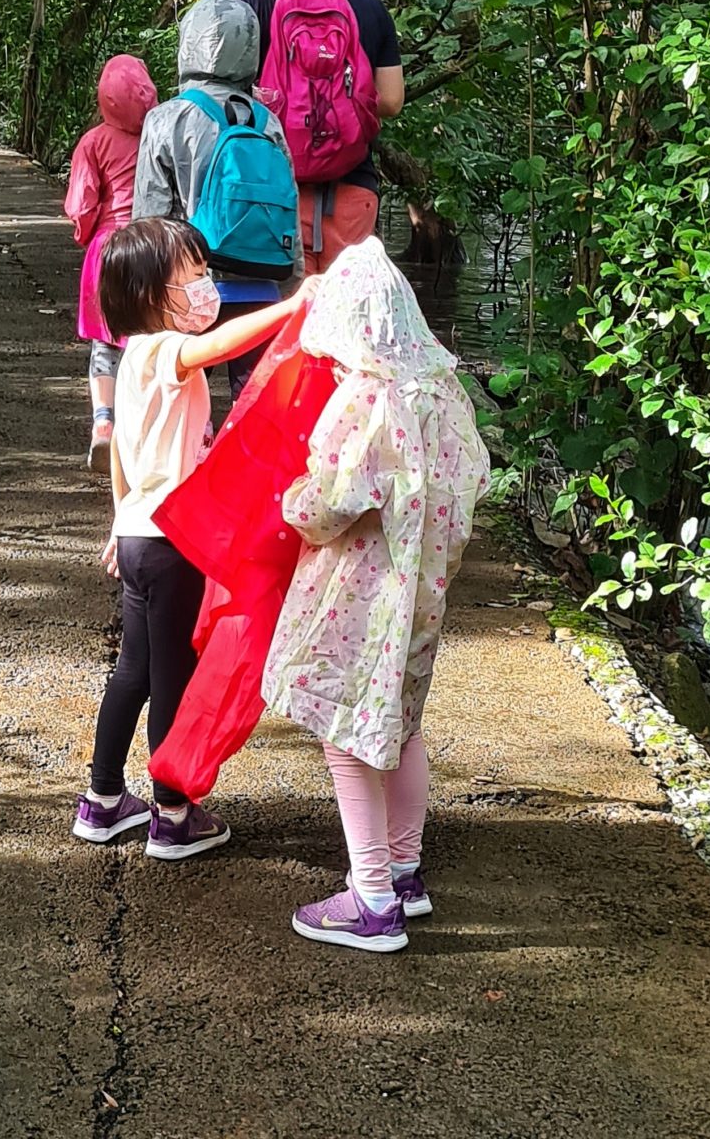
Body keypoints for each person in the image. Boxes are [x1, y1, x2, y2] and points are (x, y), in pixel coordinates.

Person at [264, 239, 488, 953]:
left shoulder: (367, 397)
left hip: (361, 590)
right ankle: (403, 867)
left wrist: (289, 501)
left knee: (345, 732)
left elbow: (332, 498)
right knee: (402, 719)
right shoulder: (443, 392)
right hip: (422, 587)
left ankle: (370, 899)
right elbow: (470, 482)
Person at [73, 218, 304, 859]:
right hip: (173, 545)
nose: (207, 286)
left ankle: (103, 799)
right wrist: (294, 306)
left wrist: (118, 524)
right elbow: (222, 343)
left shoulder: (129, 362)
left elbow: (119, 447)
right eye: (194, 275)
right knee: (174, 676)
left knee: (136, 670)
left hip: (142, 536)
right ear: (150, 293)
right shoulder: (159, 350)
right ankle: (172, 813)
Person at [228, 0, 406, 277]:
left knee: (281, 322)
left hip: (267, 193)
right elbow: (391, 100)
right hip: (351, 191)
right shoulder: (363, 1)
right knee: (343, 326)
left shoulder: (239, 2)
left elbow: (216, 104)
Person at [130, 0, 298, 399]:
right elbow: (287, 207)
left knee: (184, 405)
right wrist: (291, 293)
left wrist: (142, 299)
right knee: (255, 408)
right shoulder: (268, 122)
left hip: (187, 292)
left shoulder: (166, 118)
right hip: (262, 287)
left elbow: (149, 222)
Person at [63, 53, 159, 465]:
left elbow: (83, 202)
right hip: (152, 245)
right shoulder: (159, 132)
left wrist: (85, 232)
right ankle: (147, 431)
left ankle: (104, 421)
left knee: (105, 344)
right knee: (150, 342)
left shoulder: (93, 142)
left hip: (108, 248)